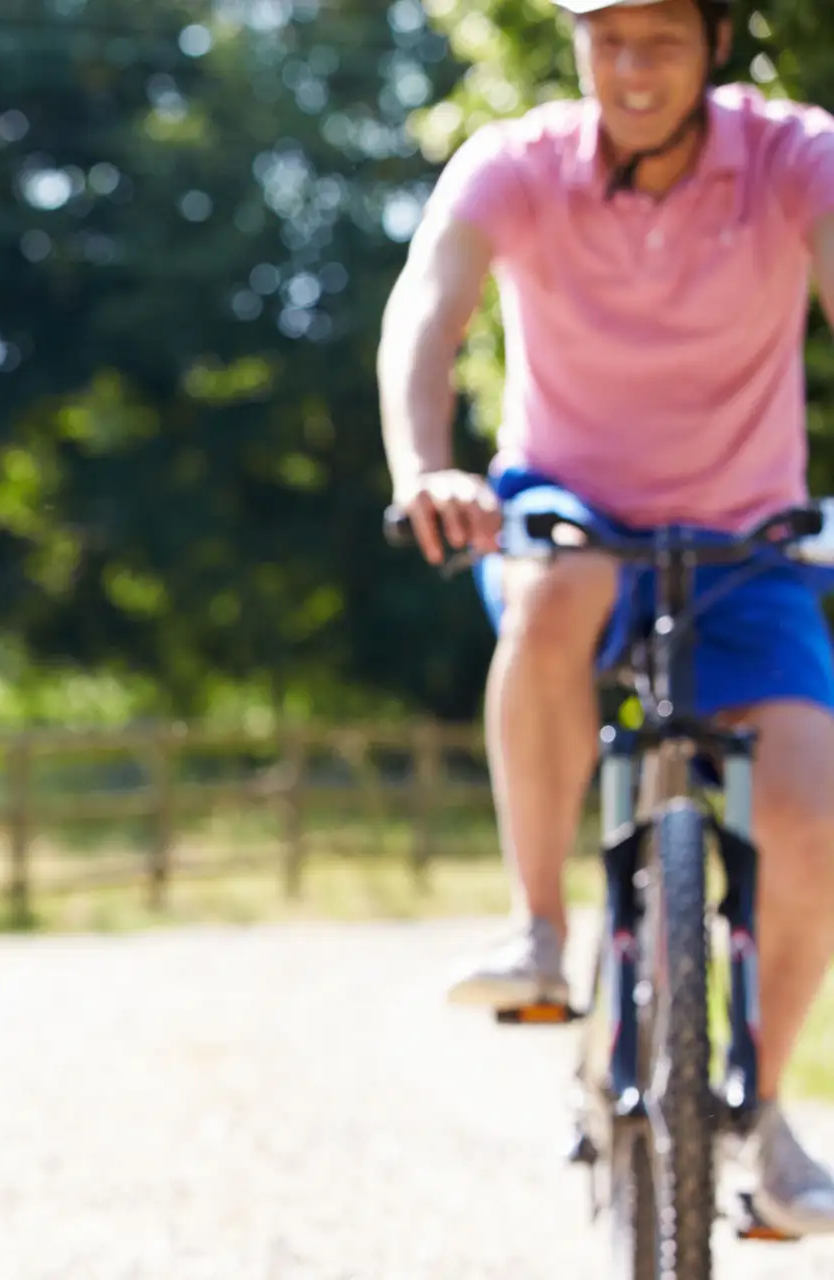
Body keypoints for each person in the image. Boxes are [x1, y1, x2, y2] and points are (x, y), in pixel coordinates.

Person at [379, 0, 834, 1232]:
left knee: (809, 802)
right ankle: (537, 925)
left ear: (718, 43)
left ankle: (766, 1117)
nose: (631, 70)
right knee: (554, 587)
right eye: (606, 40)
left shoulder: (793, 157)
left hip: (749, 542)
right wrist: (425, 461)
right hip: (567, 513)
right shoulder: (517, 163)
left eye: (661, 42)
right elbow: (427, 305)